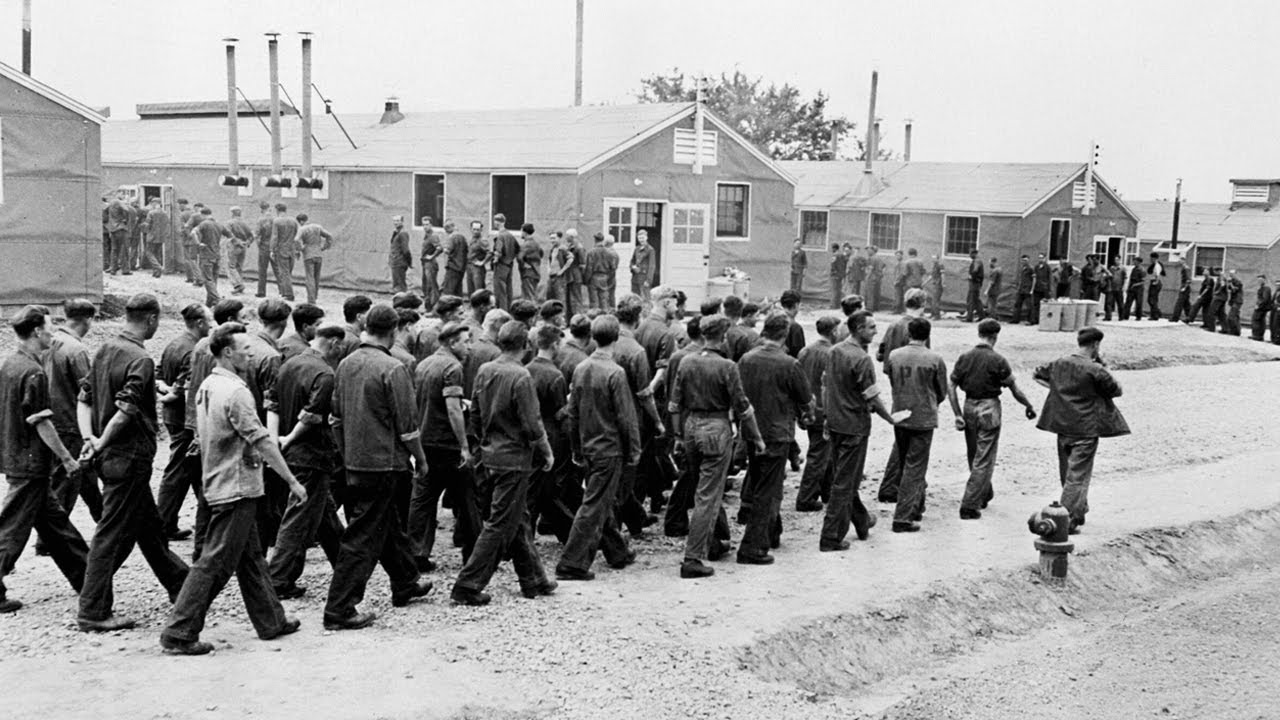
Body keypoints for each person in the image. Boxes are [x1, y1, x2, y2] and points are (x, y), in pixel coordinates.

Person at [159, 323, 307, 655]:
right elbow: (262, 440)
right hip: (237, 487)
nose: (250, 353)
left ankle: (271, 619)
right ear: (227, 353)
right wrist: (292, 481)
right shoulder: (237, 392)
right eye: (245, 349)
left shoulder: (208, 386)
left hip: (220, 480)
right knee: (214, 562)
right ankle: (179, 631)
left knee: (251, 557)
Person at [77, 294, 190, 631]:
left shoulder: (106, 348)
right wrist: (102, 441)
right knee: (110, 537)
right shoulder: (140, 358)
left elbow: (84, 397)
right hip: (129, 458)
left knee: (150, 529)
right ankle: (93, 611)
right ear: (152, 319)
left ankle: (181, 585)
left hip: (111, 458)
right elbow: (126, 411)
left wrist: (90, 439)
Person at [324, 305, 433, 630]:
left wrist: (347, 453)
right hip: (385, 463)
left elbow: (335, 419)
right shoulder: (393, 368)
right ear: (394, 331)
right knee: (363, 535)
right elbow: (408, 427)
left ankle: (406, 582)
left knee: (387, 525)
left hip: (355, 462)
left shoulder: (345, 364)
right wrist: (421, 459)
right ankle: (340, 608)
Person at [449, 321, 555, 605]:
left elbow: (476, 413)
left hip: (490, 455)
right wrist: (546, 452)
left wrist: (483, 443)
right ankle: (468, 585)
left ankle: (533, 579)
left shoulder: (486, 370)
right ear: (527, 346)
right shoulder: (521, 376)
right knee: (499, 523)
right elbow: (533, 424)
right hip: (514, 459)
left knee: (517, 517)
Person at [0, 306, 90, 614]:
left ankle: (87, 578)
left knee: (55, 525)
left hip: (17, 457)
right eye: (50, 327)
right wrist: (66, 459)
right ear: (37, 331)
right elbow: (41, 423)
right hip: (30, 463)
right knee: (10, 530)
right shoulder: (34, 372)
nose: (53, 332)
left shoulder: (10, 365)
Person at [668, 315, 762, 578]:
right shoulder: (727, 366)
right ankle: (693, 557)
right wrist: (756, 437)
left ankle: (713, 542)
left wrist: (677, 436)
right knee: (707, 497)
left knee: (704, 488)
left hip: (690, 427)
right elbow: (743, 407)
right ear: (723, 337)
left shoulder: (686, 361)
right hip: (716, 429)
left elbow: (675, 405)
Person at [555, 315, 640, 581]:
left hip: (589, 446)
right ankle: (572, 562)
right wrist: (634, 448)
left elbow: (574, 412)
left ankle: (617, 551)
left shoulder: (582, 368)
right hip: (609, 448)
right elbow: (626, 416)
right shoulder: (615, 372)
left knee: (600, 500)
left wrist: (577, 448)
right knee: (594, 505)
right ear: (616, 338)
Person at [266, 324, 346, 598]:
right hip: (312, 454)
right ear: (333, 343)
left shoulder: (289, 364)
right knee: (299, 518)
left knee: (324, 513)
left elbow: (273, 403)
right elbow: (312, 415)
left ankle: (346, 565)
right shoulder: (325, 373)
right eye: (340, 347)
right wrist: (288, 438)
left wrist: (276, 439)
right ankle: (277, 580)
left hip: (293, 453)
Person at [1034, 327, 1129, 532]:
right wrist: (1103, 364)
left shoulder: (1059, 362)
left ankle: (1078, 511)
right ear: (1095, 345)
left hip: (1061, 425)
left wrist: (1057, 390)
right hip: (1085, 428)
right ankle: (1065, 521)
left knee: (1067, 472)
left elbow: (1037, 375)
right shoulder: (1095, 369)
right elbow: (1116, 390)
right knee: (1077, 476)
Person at [820, 310, 901, 551]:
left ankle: (861, 520)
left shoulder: (834, 351)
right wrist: (890, 418)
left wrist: (827, 415)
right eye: (871, 327)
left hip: (836, 423)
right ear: (858, 329)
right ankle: (831, 537)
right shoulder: (862, 359)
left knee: (845, 477)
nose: (876, 331)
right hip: (854, 426)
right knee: (845, 482)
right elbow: (872, 396)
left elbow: (826, 386)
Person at [736, 315, 812, 566]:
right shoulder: (789, 364)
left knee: (760, 482)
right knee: (768, 491)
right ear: (785, 334)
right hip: (778, 433)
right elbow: (804, 398)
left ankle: (772, 532)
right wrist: (806, 415)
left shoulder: (746, 359)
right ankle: (753, 547)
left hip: (751, 430)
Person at [408, 321, 480, 572]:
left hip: (425, 440)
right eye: (465, 341)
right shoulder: (453, 367)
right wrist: (463, 446)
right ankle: (473, 556)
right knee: (468, 499)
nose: (469, 346)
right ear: (452, 343)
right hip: (447, 444)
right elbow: (451, 408)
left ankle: (416, 553)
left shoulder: (424, 364)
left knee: (422, 500)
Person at [949, 319, 1037, 520]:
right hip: (989, 408)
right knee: (984, 457)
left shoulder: (965, 357)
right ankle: (969, 505)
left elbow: (951, 386)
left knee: (974, 454)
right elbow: (1015, 389)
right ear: (995, 336)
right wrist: (1029, 405)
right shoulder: (998, 360)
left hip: (969, 406)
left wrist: (957, 414)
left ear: (979, 333)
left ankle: (984, 492)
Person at [884, 317, 953, 532]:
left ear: (908, 334)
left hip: (900, 414)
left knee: (906, 463)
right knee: (916, 467)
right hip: (924, 417)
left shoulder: (895, 355)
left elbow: (893, 381)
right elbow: (941, 391)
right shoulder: (935, 359)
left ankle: (916, 506)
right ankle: (903, 518)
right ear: (928, 335)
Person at [43, 299, 103, 525]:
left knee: (86, 476)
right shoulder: (76, 350)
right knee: (67, 478)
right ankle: (49, 538)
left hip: (53, 420)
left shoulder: (49, 342)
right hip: (71, 423)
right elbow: (88, 391)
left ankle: (105, 519)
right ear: (88, 320)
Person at [155, 304, 210, 542]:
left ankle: (207, 520)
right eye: (209, 321)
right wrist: (172, 392)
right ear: (199, 323)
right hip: (185, 419)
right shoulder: (192, 350)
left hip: (172, 415)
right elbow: (182, 387)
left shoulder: (174, 343)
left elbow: (158, 374)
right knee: (178, 471)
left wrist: (163, 390)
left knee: (194, 469)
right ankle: (164, 524)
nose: (211, 325)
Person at [874, 289, 929, 504]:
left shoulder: (894, 325)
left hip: (896, 381)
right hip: (915, 385)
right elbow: (925, 359)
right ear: (923, 303)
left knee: (902, 434)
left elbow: (881, 354)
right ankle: (906, 485)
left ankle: (893, 484)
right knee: (912, 435)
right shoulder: (920, 327)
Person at [524, 325, 577, 543]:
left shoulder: (526, 368)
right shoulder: (555, 375)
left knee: (540, 489)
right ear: (555, 344)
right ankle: (570, 534)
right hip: (551, 436)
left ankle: (566, 533)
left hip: (529, 434)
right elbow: (559, 414)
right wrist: (572, 399)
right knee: (543, 490)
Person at [795, 316, 840, 512]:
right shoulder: (832, 353)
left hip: (808, 408)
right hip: (824, 410)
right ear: (833, 332)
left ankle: (827, 490)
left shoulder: (805, 351)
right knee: (818, 455)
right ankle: (806, 498)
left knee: (825, 452)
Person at [194, 208, 230, 307]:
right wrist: (221, 245)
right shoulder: (219, 224)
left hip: (206, 255)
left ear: (202, 215)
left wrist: (198, 243)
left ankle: (217, 300)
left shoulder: (204, 224)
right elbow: (230, 236)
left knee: (207, 279)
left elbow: (193, 232)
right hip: (217, 255)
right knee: (213, 280)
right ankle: (210, 302)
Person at [298, 214, 334, 304]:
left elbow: (296, 240)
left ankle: (311, 299)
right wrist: (324, 247)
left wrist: (300, 249)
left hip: (308, 255)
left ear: (301, 221)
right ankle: (315, 296)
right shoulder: (317, 227)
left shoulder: (302, 229)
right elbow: (329, 236)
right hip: (318, 254)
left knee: (309, 277)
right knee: (316, 277)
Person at [269, 203, 299, 301]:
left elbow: (274, 237)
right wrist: (297, 249)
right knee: (288, 272)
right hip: (292, 249)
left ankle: (288, 294)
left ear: (277, 210)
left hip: (282, 249)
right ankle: (284, 291)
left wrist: (272, 249)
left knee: (284, 273)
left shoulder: (276, 221)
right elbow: (297, 236)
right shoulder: (293, 221)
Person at [489, 214, 519, 310]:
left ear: (497, 222)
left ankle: (502, 311)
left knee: (500, 290)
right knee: (509, 289)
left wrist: (495, 260)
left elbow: (498, 251)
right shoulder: (510, 235)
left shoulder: (500, 236)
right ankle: (509, 310)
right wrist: (511, 258)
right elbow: (517, 248)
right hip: (509, 265)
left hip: (501, 265)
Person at [225, 206, 254, 295]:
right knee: (239, 267)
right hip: (243, 247)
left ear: (232, 213)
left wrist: (237, 242)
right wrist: (247, 243)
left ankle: (238, 285)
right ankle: (240, 284)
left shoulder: (230, 222)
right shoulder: (244, 223)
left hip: (234, 246)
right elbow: (252, 235)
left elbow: (228, 234)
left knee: (231, 266)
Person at [104, 192, 131, 275]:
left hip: (112, 229)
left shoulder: (110, 203)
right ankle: (125, 269)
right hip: (121, 228)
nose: (123, 196)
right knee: (124, 249)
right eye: (122, 194)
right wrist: (125, 219)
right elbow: (126, 210)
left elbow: (104, 212)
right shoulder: (119, 202)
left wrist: (108, 223)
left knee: (114, 250)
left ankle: (113, 269)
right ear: (119, 195)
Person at [143, 198, 170, 279]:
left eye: (153, 203)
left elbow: (147, 224)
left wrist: (145, 231)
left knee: (148, 252)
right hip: (161, 236)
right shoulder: (165, 213)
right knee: (157, 253)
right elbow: (167, 224)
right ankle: (157, 273)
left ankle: (157, 266)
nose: (152, 204)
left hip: (152, 236)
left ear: (156, 203)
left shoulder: (151, 212)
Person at [254, 201, 276, 298]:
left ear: (261, 209)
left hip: (264, 246)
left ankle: (261, 292)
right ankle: (283, 291)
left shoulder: (261, 220)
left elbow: (257, 235)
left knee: (262, 270)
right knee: (278, 270)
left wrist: (259, 245)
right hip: (274, 247)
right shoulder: (275, 219)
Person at [586, 232, 613, 310]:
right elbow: (612, 267)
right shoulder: (609, 252)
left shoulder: (591, 252)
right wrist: (608, 277)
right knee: (604, 300)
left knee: (594, 301)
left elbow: (589, 268)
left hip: (593, 277)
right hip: (604, 277)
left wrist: (586, 280)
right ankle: (604, 318)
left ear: (595, 240)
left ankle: (594, 319)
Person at [420, 216, 442, 308]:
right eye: (424, 225)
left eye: (427, 224)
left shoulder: (433, 236)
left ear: (431, 225)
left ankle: (435, 306)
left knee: (431, 286)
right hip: (425, 263)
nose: (425, 226)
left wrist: (432, 256)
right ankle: (428, 306)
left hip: (430, 264)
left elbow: (440, 248)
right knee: (425, 285)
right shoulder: (426, 236)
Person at [442, 221, 468, 297]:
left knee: (448, 291)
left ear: (449, 228)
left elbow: (447, 251)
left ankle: (448, 308)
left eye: (446, 229)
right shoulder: (463, 238)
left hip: (452, 267)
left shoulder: (451, 237)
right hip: (461, 268)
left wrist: (446, 264)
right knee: (458, 290)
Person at [517, 223, 542, 302]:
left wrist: (524, 265)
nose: (521, 233)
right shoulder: (536, 244)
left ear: (525, 232)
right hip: (535, 272)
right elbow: (541, 253)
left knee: (528, 297)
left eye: (521, 231)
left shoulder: (526, 244)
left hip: (528, 273)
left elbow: (519, 257)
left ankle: (532, 313)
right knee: (533, 295)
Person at [389, 215, 412, 294]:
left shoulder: (403, 233)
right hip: (395, 261)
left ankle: (403, 301)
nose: (396, 223)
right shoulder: (396, 232)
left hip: (399, 262)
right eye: (394, 221)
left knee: (400, 286)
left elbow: (405, 250)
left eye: (398, 221)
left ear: (402, 222)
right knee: (396, 284)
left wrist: (409, 262)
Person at [466, 220, 489, 295]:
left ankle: (480, 305)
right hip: (469, 266)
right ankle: (471, 305)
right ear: (471, 229)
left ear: (481, 230)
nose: (475, 231)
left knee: (478, 290)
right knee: (470, 288)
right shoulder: (470, 239)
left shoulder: (483, 240)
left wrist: (483, 262)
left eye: (478, 230)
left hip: (477, 268)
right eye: (474, 229)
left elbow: (490, 252)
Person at [631, 230, 655, 299]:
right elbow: (632, 261)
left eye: (642, 238)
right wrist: (633, 267)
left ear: (646, 237)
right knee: (635, 299)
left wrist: (648, 280)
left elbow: (652, 266)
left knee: (646, 299)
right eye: (639, 238)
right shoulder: (637, 249)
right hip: (635, 277)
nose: (641, 240)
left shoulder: (650, 250)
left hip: (644, 278)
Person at [1169, 255, 1193, 323]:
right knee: (1186, 304)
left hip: (1185, 287)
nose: (1179, 261)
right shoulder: (1184, 268)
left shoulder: (1186, 268)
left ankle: (1175, 317)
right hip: (1185, 286)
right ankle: (1190, 316)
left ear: (1183, 260)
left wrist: (1184, 288)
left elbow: (1188, 279)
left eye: (1181, 260)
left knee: (1179, 303)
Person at [1122, 256, 1146, 320]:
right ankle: (1125, 315)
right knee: (1128, 302)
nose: (1134, 262)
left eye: (1135, 261)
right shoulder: (1134, 269)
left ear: (1139, 262)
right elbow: (1130, 279)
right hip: (1132, 288)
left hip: (1139, 288)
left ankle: (1138, 316)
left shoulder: (1142, 270)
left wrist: (1135, 285)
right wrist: (1128, 287)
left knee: (1138, 303)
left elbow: (1143, 281)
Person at [1012, 255, 1034, 324]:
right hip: (1021, 289)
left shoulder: (1031, 268)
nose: (1024, 262)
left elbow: (1034, 279)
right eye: (1023, 260)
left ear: (1028, 260)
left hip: (1027, 289)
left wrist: (1032, 289)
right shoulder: (1022, 268)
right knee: (1017, 304)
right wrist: (1018, 288)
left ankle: (1030, 320)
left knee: (1029, 305)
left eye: (1026, 260)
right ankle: (1015, 319)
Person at [1250, 275, 1273, 341]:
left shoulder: (1266, 288)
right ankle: (1257, 335)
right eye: (1258, 280)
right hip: (1262, 307)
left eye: (1260, 280)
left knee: (1256, 320)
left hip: (1262, 308)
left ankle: (1257, 336)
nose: (1259, 281)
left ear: (1264, 280)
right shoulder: (1263, 288)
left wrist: (1258, 305)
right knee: (1259, 321)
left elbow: (1265, 299)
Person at [965, 249, 985, 322]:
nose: (970, 256)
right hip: (976, 283)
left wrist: (971, 276)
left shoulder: (977, 261)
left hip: (974, 283)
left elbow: (975, 270)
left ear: (975, 254)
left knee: (971, 300)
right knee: (976, 301)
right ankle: (982, 316)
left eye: (971, 254)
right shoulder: (977, 261)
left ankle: (969, 318)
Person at [1032, 253, 1051, 323]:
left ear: (1045, 258)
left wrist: (1048, 289)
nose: (1040, 259)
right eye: (1039, 258)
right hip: (1037, 288)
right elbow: (1034, 277)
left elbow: (1049, 278)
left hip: (1045, 289)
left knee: (1045, 304)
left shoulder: (1047, 267)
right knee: (1036, 304)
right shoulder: (1036, 267)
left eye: (1042, 258)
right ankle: (1036, 319)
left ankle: (1045, 320)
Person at [1146, 252, 1165, 321]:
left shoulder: (1157, 265)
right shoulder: (1154, 265)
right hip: (1154, 281)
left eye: (1151, 258)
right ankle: (1156, 313)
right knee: (1153, 299)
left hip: (1155, 282)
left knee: (1152, 299)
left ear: (1154, 258)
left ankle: (1155, 315)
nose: (1150, 259)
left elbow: (1157, 275)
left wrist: (1155, 282)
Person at [866, 246, 886, 312]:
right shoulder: (880, 258)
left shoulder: (871, 258)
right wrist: (881, 275)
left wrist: (867, 277)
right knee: (877, 292)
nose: (867, 251)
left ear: (873, 251)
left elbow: (870, 269)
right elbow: (884, 267)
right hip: (878, 278)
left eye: (869, 250)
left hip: (872, 277)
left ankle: (870, 308)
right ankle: (876, 307)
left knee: (870, 293)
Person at [1225, 270, 1244, 336]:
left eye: (1232, 274)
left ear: (1236, 274)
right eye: (1230, 274)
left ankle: (1233, 331)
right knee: (1236, 316)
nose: (1231, 275)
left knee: (1231, 316)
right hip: (1234, 301)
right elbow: (1229, 289)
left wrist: (1230, 283)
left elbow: (1234, 289)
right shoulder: (1232, 281)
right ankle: (1237, 332)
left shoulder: (1238, 282)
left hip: (1237, 300)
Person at [927, 253, 944, 320]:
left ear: (937, 259)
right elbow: (931, 276)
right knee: (933, 300)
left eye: (934, 258)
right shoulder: (934, 266)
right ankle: (933, 314)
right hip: (934, 285)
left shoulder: (940, 265)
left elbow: (943, 275)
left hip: (938, 285)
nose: (933, 260)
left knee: (936, 300)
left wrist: (943, 283)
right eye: (932, 258)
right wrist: (924, 283)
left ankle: (937, 315)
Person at [891, 250, 907, 314]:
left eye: (899, 255)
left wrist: (897, 281)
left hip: (900, 282)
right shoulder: (898, 263)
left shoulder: (903, 263)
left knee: (898, 295)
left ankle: (897, 309)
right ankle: (898, 309)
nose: (898, 256)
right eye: (897, 255)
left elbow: (902, 273)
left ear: (902, 255)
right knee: (897, 295)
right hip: (897, 281)